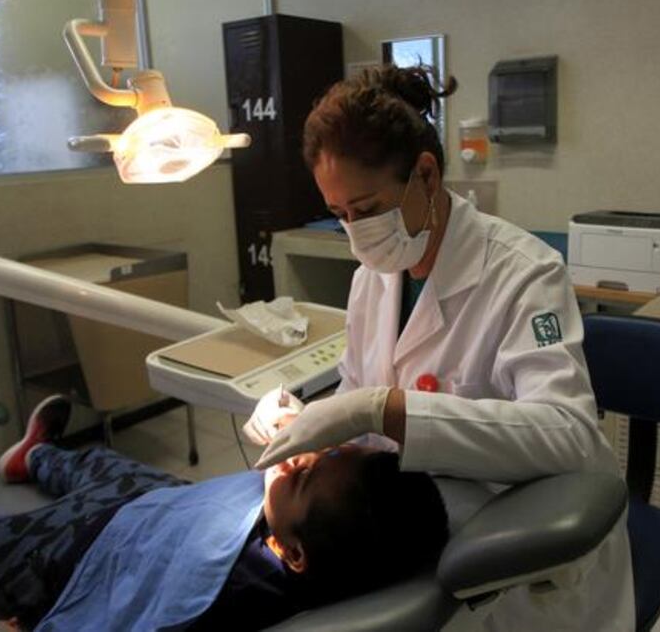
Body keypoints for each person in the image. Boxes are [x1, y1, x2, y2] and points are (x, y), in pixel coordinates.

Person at [249, 65, 635, 631]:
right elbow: (362, 391)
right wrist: (310, 422)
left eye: (368, 208)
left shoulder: (526, 274)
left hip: (523, 560)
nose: (356, 232)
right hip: (418, 536)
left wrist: (384, 410)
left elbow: (570, 436)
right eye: (340, 216)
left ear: (426, 175)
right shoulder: (374, 277)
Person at [0, 395, 448, 631]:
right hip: (165, 504)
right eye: (331, 450)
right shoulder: (333, 525)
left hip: (77, 553)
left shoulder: (225, 601)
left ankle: (34, 461)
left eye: (303, 475)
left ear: (294, 553)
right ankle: (38, 455)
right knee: (97, 462)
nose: (301, 459)